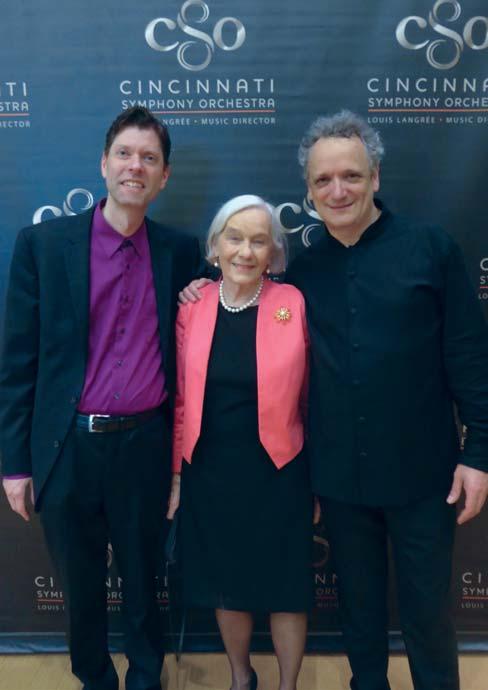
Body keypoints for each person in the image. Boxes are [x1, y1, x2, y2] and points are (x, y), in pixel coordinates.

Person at [179, 112, 488, 690]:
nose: (337, 190)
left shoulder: (431, 249)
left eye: (351, 176)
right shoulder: (303, 274)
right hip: (340, 480)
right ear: (309, 189)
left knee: (427, 616)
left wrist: (479, 455)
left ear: (376, 177)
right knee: (359, 617)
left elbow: (470, 359)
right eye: (323, 180)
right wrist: (199, 281)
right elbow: (239, 282)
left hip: (424, 475)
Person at [0, 106, 201, 690]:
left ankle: (146, 678)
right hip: (67, 448)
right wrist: (15, 465)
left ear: (164, 176)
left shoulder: (180, 252)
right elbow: (18, 363)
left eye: (149, 158)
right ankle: (94, 678)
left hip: (144, 446)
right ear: (104, 164)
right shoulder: (43, 245)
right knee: (80, 588)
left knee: (143, 582)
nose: (135, 166)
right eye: (125, 154)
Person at [167, 195, 314, 690]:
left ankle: (288, 685)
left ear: (273, 252)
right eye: (234, 238)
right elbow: (181, 398)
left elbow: (314, 395)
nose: (245, 251)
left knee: (286, 587)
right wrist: (177, 473)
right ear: (214, 246)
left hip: (281, 467)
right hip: (211, 469)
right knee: (226, 584)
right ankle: (240, 677)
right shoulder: (193, 306)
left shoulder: (293, 302)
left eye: (258, 241)